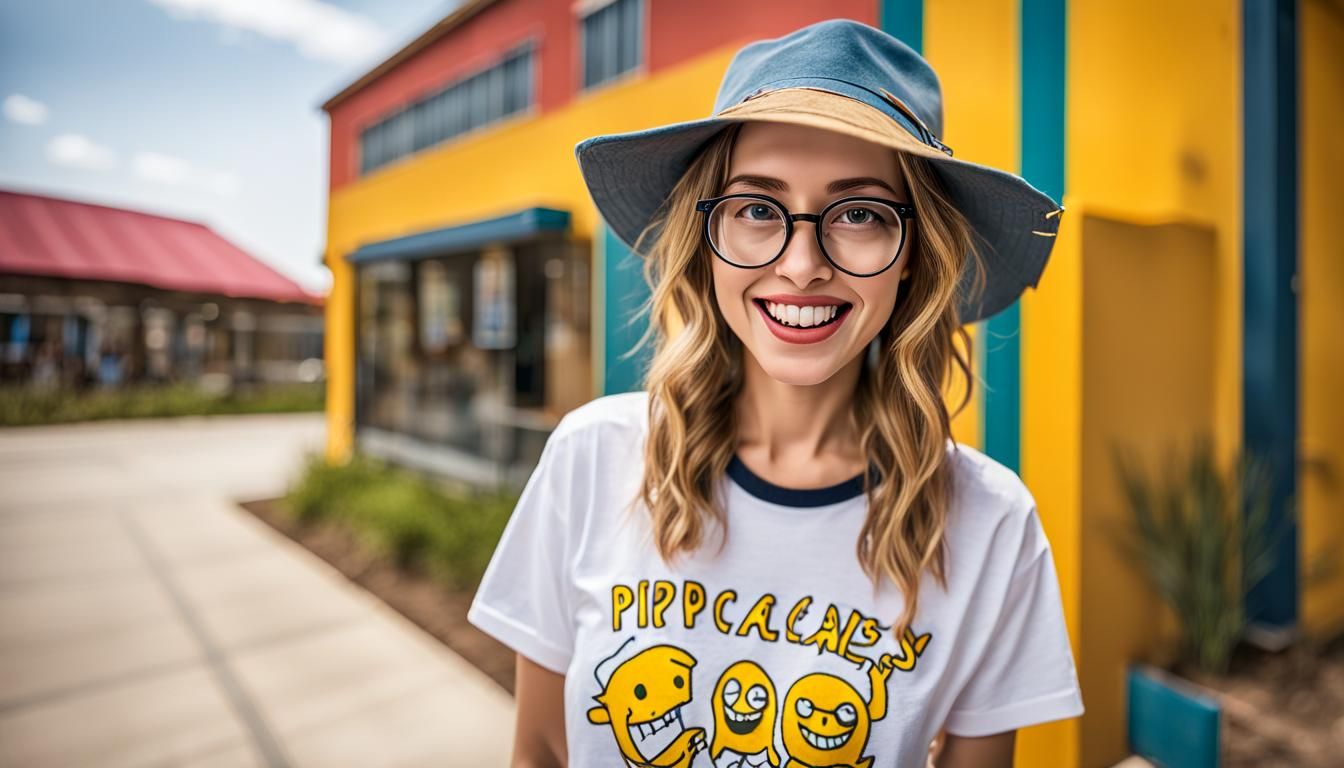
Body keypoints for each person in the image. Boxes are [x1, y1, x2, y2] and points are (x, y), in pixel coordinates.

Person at [468, 18, 1083, 768]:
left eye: (859, 214)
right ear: (706, 238)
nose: (801, 265)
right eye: (758, 209)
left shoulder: (992, 525)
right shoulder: (592, 458)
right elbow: (540, 748)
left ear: (913, 257)